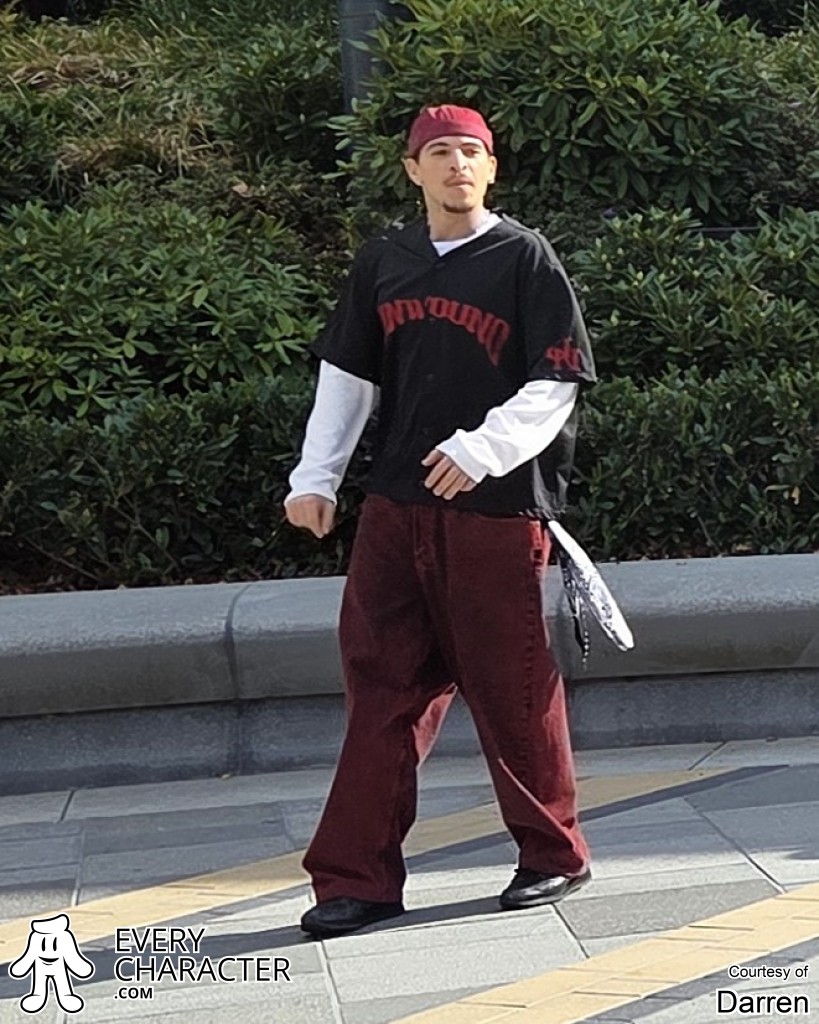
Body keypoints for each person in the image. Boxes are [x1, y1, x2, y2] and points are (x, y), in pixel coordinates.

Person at [284, 104, 596, 938]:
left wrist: (483, 449)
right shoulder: (383, 261)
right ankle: (355, 880)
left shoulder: (523, 257)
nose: (457, 165)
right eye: (440, 153)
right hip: (395, 508)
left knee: (511, 687)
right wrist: (316, 477)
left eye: (470, 152)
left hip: (494, 511)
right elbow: (347, 377)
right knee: (380, 690)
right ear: (412, 169)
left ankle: (553, 853)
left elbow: (556, 381)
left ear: (490, 168)